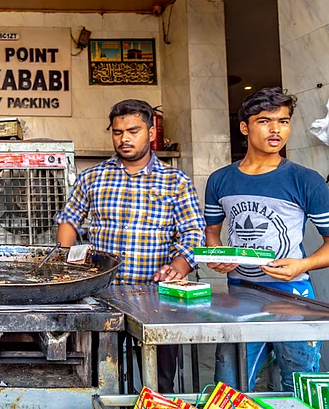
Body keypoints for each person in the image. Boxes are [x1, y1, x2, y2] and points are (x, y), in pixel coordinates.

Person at [54, 99, 205, 393]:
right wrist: (63, 264)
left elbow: (193, 233)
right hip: (101, 296)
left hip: (156, 299)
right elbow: (69, 221)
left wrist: (178, 266)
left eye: (133, 131)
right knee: (101, 379)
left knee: (159, 383)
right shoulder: (92, 177)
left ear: (150, 133)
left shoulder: (176, 181)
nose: (124, 138)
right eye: (118, 132)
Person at [205, 87, 329, 392]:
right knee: (229, 389)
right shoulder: (220, 180)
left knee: (300, 389)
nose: (276, 130)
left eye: (283, 121)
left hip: (293, 296)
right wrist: (216, 255)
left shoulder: (305, 179)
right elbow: (211, 233)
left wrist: (302, 265)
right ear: (245, 127)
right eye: (264, 121)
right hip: (240, 296)